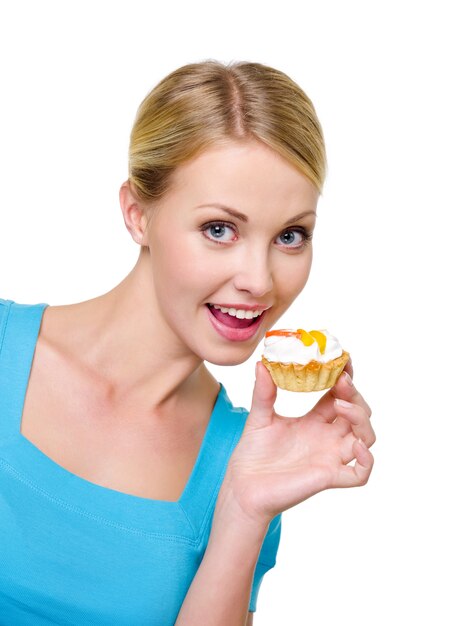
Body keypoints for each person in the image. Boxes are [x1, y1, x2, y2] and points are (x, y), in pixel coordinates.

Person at [0, 59, 375, 625]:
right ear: (137, 215)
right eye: (219, 229)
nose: (260, 279)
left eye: (290, 236)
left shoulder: (244, 460)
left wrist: (246, 512)